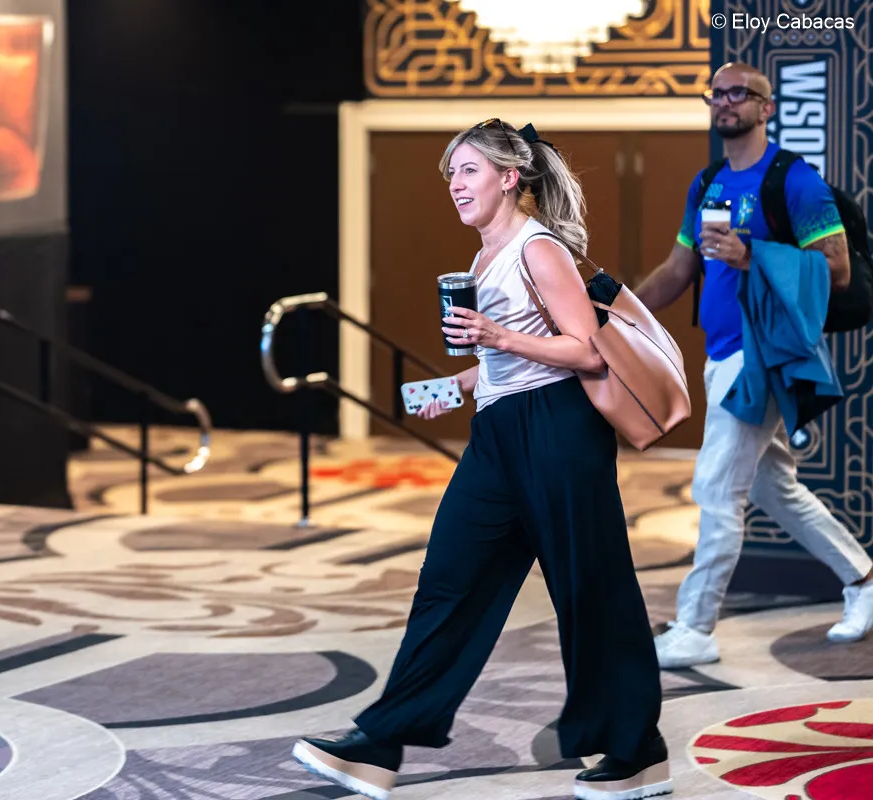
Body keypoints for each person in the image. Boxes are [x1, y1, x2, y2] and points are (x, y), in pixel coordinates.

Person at [289, 119, 670, 800]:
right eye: (451, 174)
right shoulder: (483, 257)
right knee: (449, 583)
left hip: (559, 431)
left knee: (589, 588)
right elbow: (508, 357)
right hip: (498, 435)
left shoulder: (538, 248)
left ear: (508, 177)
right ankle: (379, 744)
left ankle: (637, 751)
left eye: (468, 170)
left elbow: (587, 352)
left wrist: (495, 336)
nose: (456, 185)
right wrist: (456, 384)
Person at [633, 62, 873, 670]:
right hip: (720, 355)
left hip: (761, 354)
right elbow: (679, 270)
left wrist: (751, 255)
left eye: (739, 93)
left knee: (716, 486)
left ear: (767, 108)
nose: (725, 102)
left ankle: (696, 626)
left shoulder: (795, 180)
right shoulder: (707, 182)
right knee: (773, 487)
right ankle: (864, 579)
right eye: (716, 93)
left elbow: (837, 268)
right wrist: (616, 308)